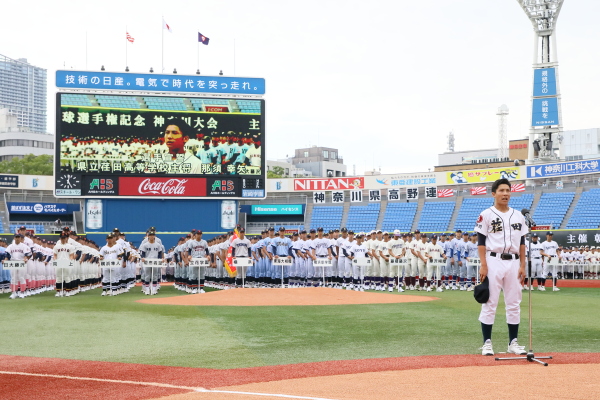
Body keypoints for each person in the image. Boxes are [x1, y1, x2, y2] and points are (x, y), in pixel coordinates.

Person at [474, 178, 528, 356]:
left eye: (508, 190)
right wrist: (483, 265)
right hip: (493, 260)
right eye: (501, 190)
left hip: (513, 261)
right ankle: (487, 343)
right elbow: (481, 242)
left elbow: (521, 242)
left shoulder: (518, 215)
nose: (505, 194)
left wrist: (522, 264)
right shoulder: (486, 214)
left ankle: (513, 343)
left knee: (514, 302)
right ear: (494, 193)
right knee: (490, 301)